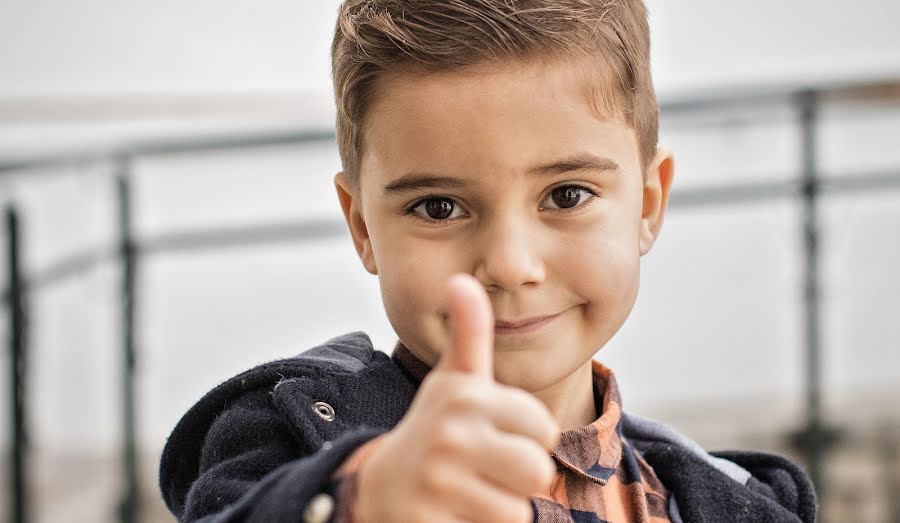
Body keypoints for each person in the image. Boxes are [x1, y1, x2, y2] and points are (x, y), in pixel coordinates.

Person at [159, 1, 817, 521]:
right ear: (361, 224)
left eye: (566, 195)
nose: (508, 264)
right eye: (439, 207)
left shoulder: (737, 500)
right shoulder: (287, 441)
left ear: (647, 203)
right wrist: (357, 501)